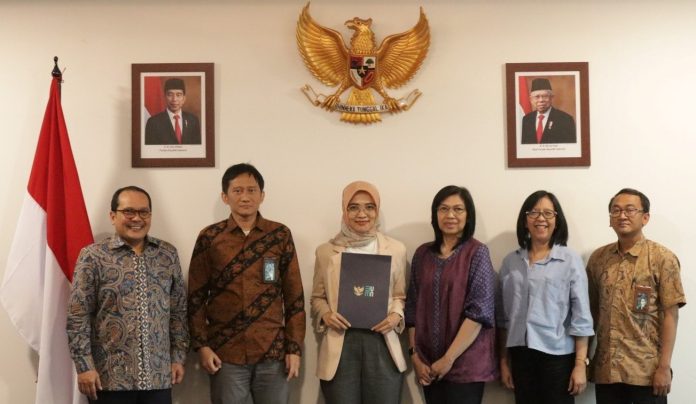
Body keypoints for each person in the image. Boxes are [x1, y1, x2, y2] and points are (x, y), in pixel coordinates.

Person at [187, 163, 306, 404]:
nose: (245, 197)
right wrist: (202, 346)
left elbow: (294, 296)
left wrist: (294, 348)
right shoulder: (210, 237)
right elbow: (196, 297)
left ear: (262, 195)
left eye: (252, 190)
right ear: (225, 196)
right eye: (237, 190)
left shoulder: (279, 235)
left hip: (273, 352)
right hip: (225, 353)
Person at [67, 186, 189, 404]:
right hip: (109, 379)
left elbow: (178, 310)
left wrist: (178, 356)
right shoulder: (93, 256)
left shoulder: (167, 254)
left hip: (159, 377)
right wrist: (84, 366)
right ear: (113, 216)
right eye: (129, 211)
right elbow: (78, 315)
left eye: (144, 212)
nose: (137, 218)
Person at [311, 181, 408, 404]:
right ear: (344, 211)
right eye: (353, 207)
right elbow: (317, 297)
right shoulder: (326, 252)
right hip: (341, 344)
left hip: (382, 342)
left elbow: (399, 296)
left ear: (377, 210)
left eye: (369, 207)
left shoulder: (396, 249)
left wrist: (396, 315)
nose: (362, 214)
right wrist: (326, 314)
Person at [587, 188, 686, 404]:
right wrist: (583, 358)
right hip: (607, 371)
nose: (622, 215)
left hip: (647, 372)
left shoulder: (662, 258)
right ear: (610, 219)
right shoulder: (598, 259)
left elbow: (671, 315)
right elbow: (591, 313)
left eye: (630, 210)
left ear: (645, 217)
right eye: (616, 210)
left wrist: (664, 367)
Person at [497, 190, 594, 404]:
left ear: (557, 221)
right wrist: (503, 362)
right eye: (534, 212)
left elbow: (581, 318)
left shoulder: (570, 260)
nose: (541, 218)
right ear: (525, 220)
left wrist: (580, 364)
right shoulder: (510, 262)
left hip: (558, 358)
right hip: (520, 356)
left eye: (548, 213)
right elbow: (503, 319)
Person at [405, 185, 497, 404]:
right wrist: (415, 356)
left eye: (458, 209)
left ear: (468, 215)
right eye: (443, 209)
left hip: (466, 367)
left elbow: (479, 312)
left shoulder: (477, 252)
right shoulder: (422, 254)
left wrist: (448, 359)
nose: (450, 215)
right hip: (428, 365)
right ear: (435, 214)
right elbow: (412, 308)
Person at [145, 78, 201, 145]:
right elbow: (151, 150)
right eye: (170, 95)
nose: (174, 99)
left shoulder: (193, 120)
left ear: (184, 98)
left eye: (178, 95)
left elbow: (197, 148)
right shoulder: (153, 123)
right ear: (164, 97)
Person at [521, 78, 576, 144]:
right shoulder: (526, 119)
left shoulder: (565, 120)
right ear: (531, 99)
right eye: (537, 97)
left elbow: (570, 147)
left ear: (551, 98)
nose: (541, 100)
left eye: (545, 96)